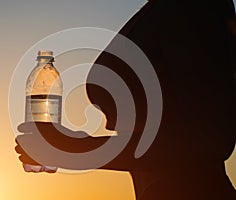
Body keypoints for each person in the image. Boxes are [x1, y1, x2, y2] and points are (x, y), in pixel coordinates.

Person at [15, 0, 236, 199]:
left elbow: (210, 140)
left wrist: (78, 150)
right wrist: (72, 143)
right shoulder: (159, 11)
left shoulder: (192, 6)